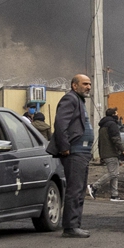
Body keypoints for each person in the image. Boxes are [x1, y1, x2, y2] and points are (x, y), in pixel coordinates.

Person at [49, 74, 95, 238]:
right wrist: (64, 147)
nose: (88, 87)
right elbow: (60, 123)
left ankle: (75, 225)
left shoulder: (79, 101)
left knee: (80, 189)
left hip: (82, 153)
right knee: (75, 189)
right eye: (85, 84)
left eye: (90, 84)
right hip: (74, 152)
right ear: (74, 85)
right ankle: (70, 227)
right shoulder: (70, 99)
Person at [99, 107, 124, 201]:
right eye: (116, 113)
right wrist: (123, 150)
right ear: (113, 115)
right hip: (111, 152)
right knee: (113, 173)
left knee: (115, 174)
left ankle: (114, 195)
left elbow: (100, 142)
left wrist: (101, 155)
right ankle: (94, 186)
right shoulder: (112, 125)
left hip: (106, 152)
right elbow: (116, 139)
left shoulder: (103, 125)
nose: (118, 115)